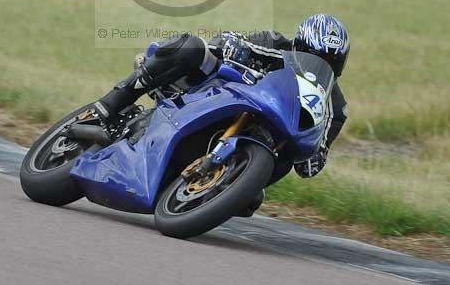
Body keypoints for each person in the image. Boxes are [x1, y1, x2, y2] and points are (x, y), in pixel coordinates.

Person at [95, 14, 349, 183]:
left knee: (264, 184)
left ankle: (229, 180)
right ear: (299, 45)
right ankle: (111, 104)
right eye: (313, 55)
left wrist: (316, 155)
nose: (320, 65)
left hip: (265, 128)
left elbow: (314, 158)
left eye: (330, 61)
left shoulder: (334, 108)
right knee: (192, 47)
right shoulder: (272, 42)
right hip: (218, 90)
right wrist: (232, 46)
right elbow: (226, 40)